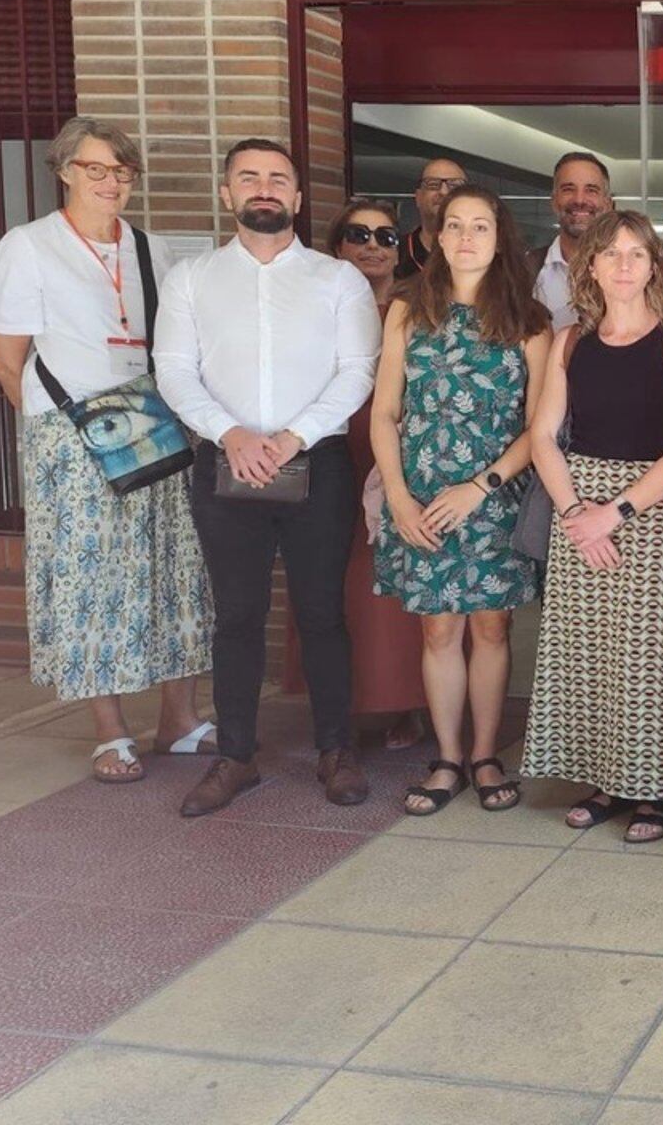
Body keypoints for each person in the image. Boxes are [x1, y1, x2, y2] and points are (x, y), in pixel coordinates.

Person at [155, 138, 384, 817]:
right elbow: (172, 369)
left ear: (297, 198)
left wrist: (290, 437)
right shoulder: (191, 278)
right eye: (249, 178)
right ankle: (236, 756)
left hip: (318, 466)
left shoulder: (338, 278)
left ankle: (336, 750)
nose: (264, 188)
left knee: (321, 613)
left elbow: (358, 371)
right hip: (225, 466)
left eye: (277, 179)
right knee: (238, 616)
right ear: (227, 194)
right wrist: (230, 434)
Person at [0, 117, 213, 784]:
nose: (111, 182)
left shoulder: (152, 249)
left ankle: (180, 718)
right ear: (64, 171)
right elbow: (5, 362)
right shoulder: (27, 248)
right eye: (96, 169)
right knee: (89, 580)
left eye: (122, 171)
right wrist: (66, 433)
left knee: (175, 569)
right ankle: (109, 731)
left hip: (152, 423)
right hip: (73, 433)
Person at [523, 210, 663, 843]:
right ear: (591, 266)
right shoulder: (570, 341)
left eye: (637, 253)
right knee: (589, 654)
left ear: (654, 266)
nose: (624, 265)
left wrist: (615, 511)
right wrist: (576, 510)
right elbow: (543, 435)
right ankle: (604, 778)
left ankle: (654, 789)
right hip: (576, 506)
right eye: (612, 254)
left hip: (650, 511)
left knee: (649, 655)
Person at [374, 186, 550, 815]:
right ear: (438, 237)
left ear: (499, 238)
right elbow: (385, 412)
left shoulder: (529, 321)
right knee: (439, 628)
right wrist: (396, 495)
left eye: (481, 226)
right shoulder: (406, 312)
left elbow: (539, 428)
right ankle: (447, 757)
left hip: (492, 498)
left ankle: (485, 754)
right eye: (456, 226)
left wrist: (481, 487)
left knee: (492, 626)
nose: (468, 237)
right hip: (421, 499)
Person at [282, 199, 428, 750]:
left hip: (394, 454)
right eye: (358, 234)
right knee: (330, 580)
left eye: (386, 236)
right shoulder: (315, 305)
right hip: (325, 450)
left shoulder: (418, 307)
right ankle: (336, 703)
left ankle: (403, 705)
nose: (372, 245)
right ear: (336, 244)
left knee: (392, 590)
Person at [526, 151, 613, 330]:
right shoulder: (525, 270)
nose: (579, 200)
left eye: (591, 190)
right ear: (554, 201)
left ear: (607, 203)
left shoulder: (629, 271)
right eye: (568, 189)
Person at [399, 157, 467, 278]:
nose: (444, 192)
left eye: (454, 186)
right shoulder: (396, 253)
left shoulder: (481, 252)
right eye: (433, 185)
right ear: (418, 197)